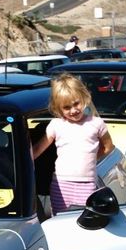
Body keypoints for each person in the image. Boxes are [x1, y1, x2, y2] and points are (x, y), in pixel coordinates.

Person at [32, 73, 115, 214]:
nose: (73, 110)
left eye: (76, 103)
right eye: (66, 107)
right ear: (58, 109)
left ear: (84, 98)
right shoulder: (56, 125)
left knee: (86, 219)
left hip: (87, 183)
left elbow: (108, 147)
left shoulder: (96, 123)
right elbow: (39, 148)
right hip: (61, 184)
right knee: (61, 219)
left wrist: (91, 159)